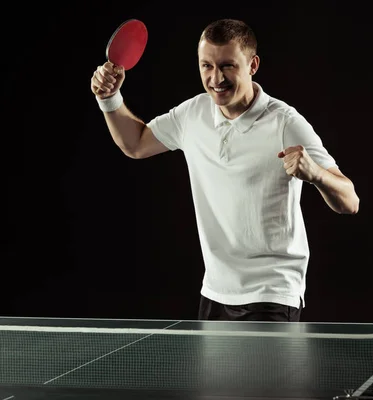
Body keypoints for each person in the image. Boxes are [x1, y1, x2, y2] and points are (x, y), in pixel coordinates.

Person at [89, 18, 359, 322]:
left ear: (252, 65)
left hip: (271, 292)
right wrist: (109, 98)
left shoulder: (284, 122)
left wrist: (318, 175)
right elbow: (136, 144)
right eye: (206, 66)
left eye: (228, 66)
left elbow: (350, 202)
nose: (216, 78)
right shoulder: (193, 113)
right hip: (215, 291)